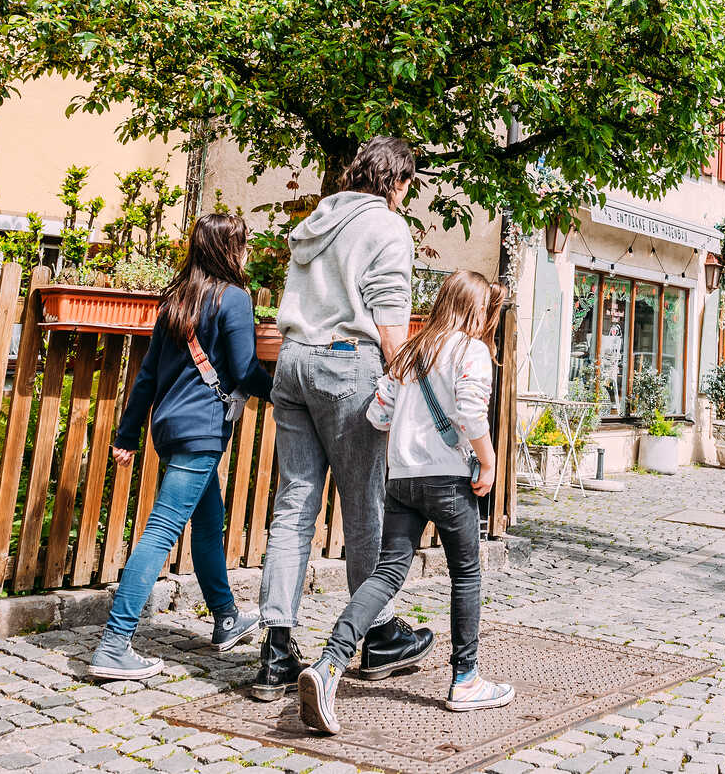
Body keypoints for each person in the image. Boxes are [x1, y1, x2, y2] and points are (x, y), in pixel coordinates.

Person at [251, 137, 433, 700]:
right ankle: (376, 635)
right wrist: (405, 387)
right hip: (346, 365)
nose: (405, 195)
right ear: (396, 181)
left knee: (294, 506)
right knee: (364, 504)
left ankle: (276, 650)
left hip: (293, 362)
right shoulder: (385, 226)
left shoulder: (316, 220)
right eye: (406, 185)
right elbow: (390, 319)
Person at [297, 271, 511, 733]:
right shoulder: (471, 350)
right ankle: (466, 679)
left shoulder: (412, 352)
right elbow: (471, 411)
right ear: (478, 311)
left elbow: (377, 414)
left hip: (403, 481)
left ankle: (330, 662)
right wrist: (489, 463)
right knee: (467, 574)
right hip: (450, 482)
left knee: (387, 574)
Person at [92, 213, 273, 680]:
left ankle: (226, 616)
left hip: (170, 426)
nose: (248, 251)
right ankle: (115, 642)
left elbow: (148, 374)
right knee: (160, 533)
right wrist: (287, 394)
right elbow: (244, 369)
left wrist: (127, 434)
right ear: (228, 249)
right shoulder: (233, 299)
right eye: (244, 243)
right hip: (200, 431)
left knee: (209, 523)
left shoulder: (177, 300)